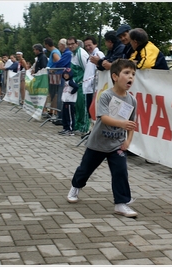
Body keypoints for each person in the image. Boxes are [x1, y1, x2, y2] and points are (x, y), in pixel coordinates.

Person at [67, 59, 138, 218]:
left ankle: (121, 204)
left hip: (117, 145)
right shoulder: (106, 95)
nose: (130, 77)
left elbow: (132, 124)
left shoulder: (132, 100)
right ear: (115, 76)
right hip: (97, 143)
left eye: (133, 74)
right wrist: (122, 123)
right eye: (126, 73)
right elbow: (104, 118)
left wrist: (128, 141)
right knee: (85, 170)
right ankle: (75, 187)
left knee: (121, 172)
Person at [83, 36, 105, 135]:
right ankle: (90, 130)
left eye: (90, 45)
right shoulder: (89, 56)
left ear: (95, 44)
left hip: (95, 88)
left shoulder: (98, 54)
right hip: (88, 88)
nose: (88, 47)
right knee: (90, 110)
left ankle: (94, 131)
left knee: (94, 110)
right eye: (86, 45)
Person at [67, 37, 89, 135]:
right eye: (69, 44)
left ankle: (84, 128)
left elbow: (87, 69)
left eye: (72, 44)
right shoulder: (73, 54)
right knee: (77, 107)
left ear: (77, 44)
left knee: (82, 107)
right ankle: (78, 126)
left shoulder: (81, 54)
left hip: (82, 85)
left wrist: (84, 83)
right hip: (76, 85)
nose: (70, 46)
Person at [44, 37, 62, 117]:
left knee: (54, 94)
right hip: (54, 75)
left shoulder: (54, 52)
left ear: (47, 45)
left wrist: (53, 69)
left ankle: (53, 111)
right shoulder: (55, 51)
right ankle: (52, 111)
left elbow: (59, 61)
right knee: (53, 94)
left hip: (54, 75)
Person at [58, 68, 78, 136]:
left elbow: (76, 87)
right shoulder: (66, 82)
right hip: (65, 101)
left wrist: (72, 92)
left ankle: (70, 129)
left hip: (70, 102)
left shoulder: (70, 82)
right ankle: (66, 128)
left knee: (69, 116)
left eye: (67, 74)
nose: (66, 75)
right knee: (65, 115)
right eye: (65, 74)